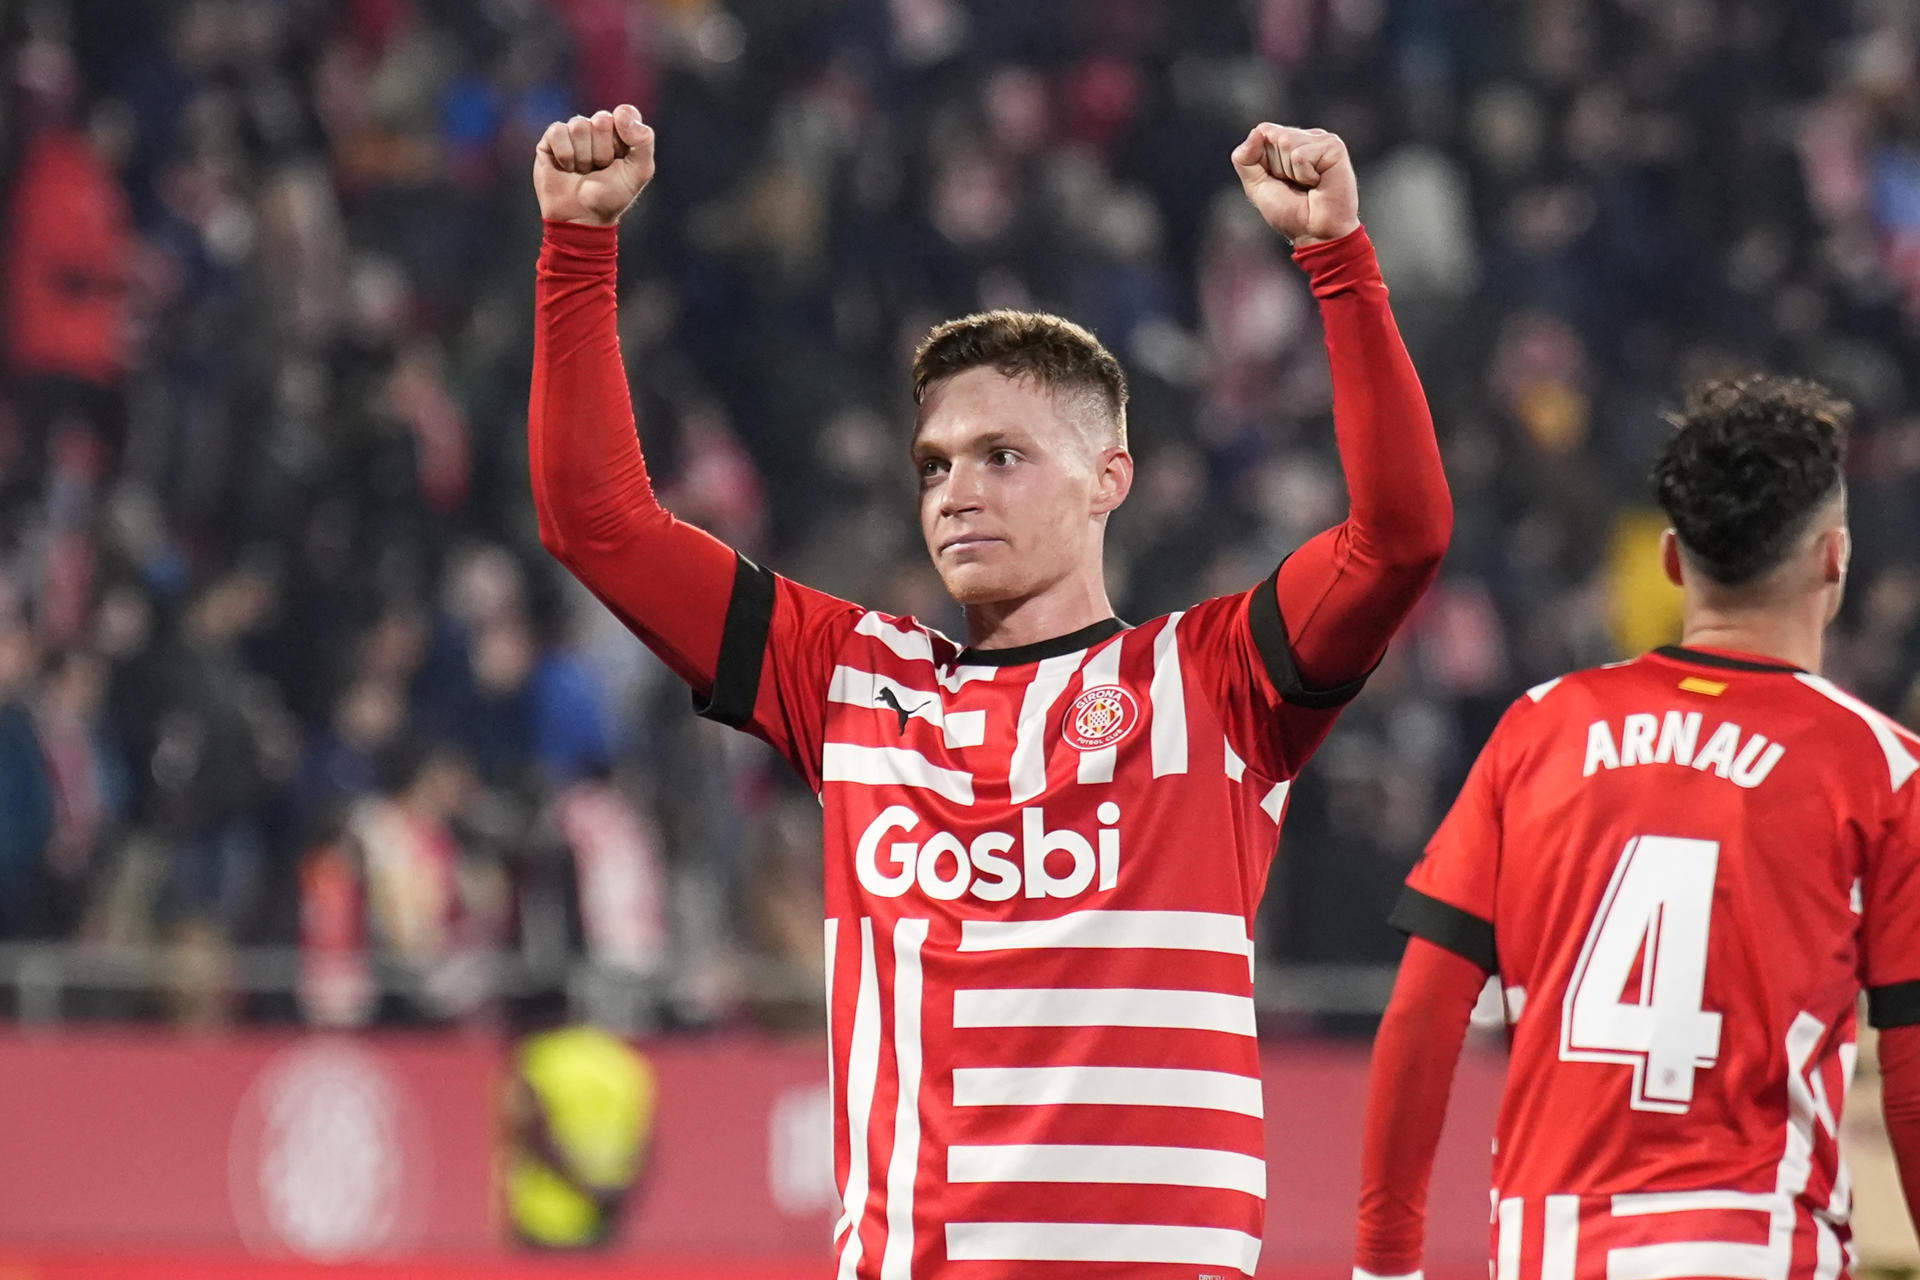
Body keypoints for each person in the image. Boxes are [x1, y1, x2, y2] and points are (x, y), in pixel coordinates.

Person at [531, 104, 1450, 1276]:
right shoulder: (851, 680)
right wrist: (578, 244)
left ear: (1108, 477)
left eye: (1001, 455)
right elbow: (596, 523)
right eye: (934, 465)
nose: (956, 490)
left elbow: (1402, 536)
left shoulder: (1213, 680)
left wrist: (1338, 260)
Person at [1353, 377, 1920, 1280]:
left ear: (1668, 560)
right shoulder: (1883, 770)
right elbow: (1911, 1076)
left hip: (1555, 1249)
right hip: (1758, 1245)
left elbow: (1424, 1010)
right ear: (1834, 560)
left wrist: (1385, 1263)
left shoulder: (1541, 728)